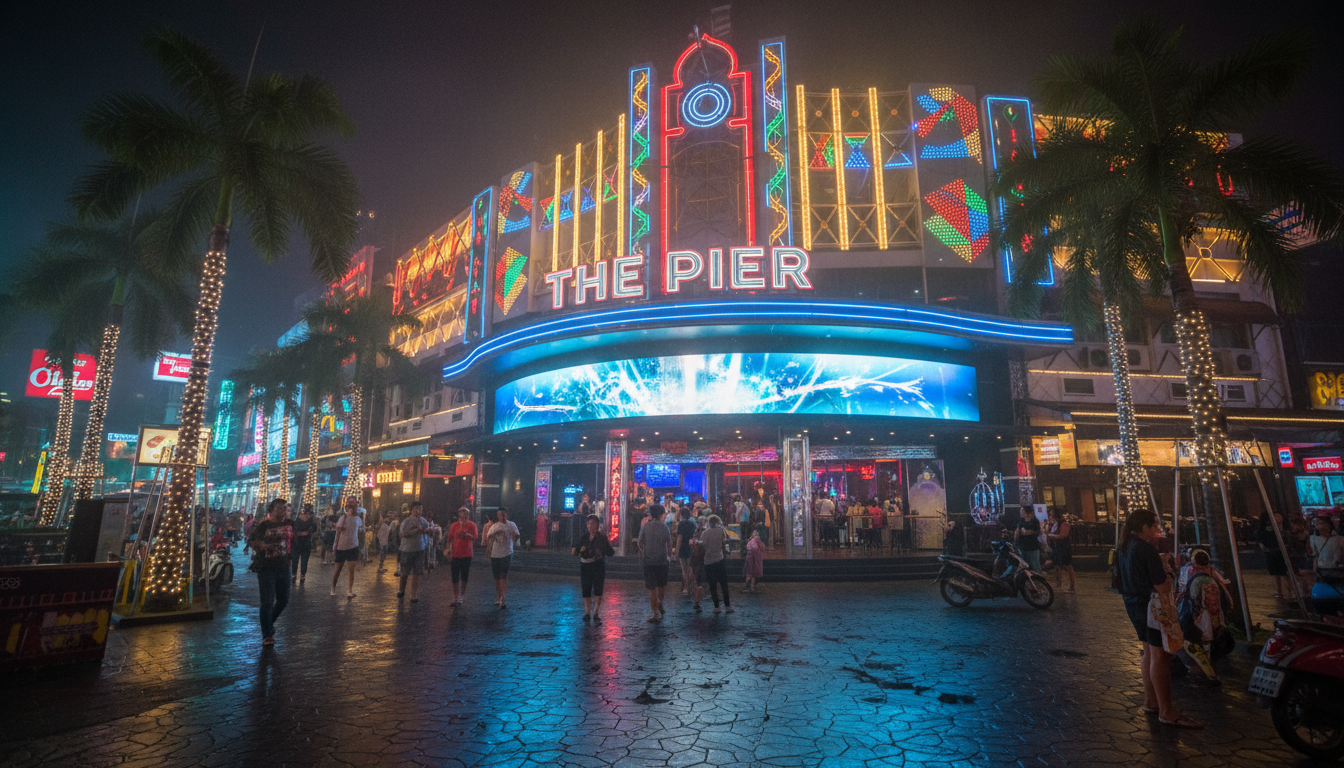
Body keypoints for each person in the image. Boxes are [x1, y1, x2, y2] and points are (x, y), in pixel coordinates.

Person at [1117, 508, 1201, 729]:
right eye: (1154, 524)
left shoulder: (1124, 547)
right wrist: (1168, 571)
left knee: (1148, 651)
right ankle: (1166, 710)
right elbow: (1161, 585)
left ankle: (1151, 701)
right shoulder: (1146, 549)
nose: (1157, 528)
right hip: (1150, 606)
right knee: (1160, 655)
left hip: (1133, 603)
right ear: (1144, 527)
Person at [1176, 549, 1234, 683]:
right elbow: (1223, 585)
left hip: (1197, 613)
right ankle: (1209, 665)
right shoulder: (1211, 572)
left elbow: (1183, 589)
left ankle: (1204, 670)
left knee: (1193, 639)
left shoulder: (1189, 570)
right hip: (1214, 613)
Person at [247, 499, 294, 647]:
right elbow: (252, 541)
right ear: (271, 510)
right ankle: (267, 634)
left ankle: (268, 623)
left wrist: (291, 555)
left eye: (284, 508)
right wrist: (264, 546)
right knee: (267, 602)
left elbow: (293, 541)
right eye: (279, 508)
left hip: (284, 567)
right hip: (267, 568)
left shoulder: (291, 524)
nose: (282, 511)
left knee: (283, 600)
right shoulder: (264, 525)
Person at [574, 514, 615, 622]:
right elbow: (576, 551)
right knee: (586, 588)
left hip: (598, 565)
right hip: (585, 565)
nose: (590, 526)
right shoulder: (584, 537)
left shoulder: (601, 537)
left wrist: (604, 551)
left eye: (592, 523)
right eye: (588, 524)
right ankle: (587, 612)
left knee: (598, 589)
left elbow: (610, 551)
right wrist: (577, 550)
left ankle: (596, 612)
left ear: (597, 525)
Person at [637, 503, 674, 622]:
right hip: (662, 561)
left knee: (651, 588)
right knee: (662, 586)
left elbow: (640, 542)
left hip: (648, 561)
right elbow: (669, 544)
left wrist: (644, 550)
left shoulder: (645, 527)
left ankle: (655, 614)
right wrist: (670, 554)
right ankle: (660, 602)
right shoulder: (664, 527)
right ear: (661, 514)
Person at [485, 508, 520, 608]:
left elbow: (517, 535)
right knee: (496, 577)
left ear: (506, 515)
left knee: (503, 575)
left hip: (507, 552)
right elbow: (488, 536)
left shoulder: (511, 524)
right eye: (499, 514)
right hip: (495, 553)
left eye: (502, 514)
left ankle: (503, 597)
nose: (501, 516)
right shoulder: (495, 526)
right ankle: (498, 596)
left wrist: (515, 537)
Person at [397, 502, 431, 602]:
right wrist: (414, 531)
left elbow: (429, 534)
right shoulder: (406, 522)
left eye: (420, 509)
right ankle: (401, 590)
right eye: (416, 509)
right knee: (404, 573)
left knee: (417, 573)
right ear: (412, 510)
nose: (418, 511)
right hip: (407, 550)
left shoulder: (424, 521)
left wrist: (429, 531)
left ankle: (413, 595)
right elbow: (401, 535)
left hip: (420, 549)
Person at [331, 498, 363, 598]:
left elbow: (360, 530)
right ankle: (333, 588)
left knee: (351, 570)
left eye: (353, 508)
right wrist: (335, 547)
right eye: (349, 508)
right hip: (342, 546)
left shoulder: (358, 519)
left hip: (353, 546)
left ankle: (350, 590)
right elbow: (337, 533)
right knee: (337, 570)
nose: (351, 510)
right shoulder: (342, 518)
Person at [445, 507, 477, 606]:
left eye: (465, 513)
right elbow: (449, 539)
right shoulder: (454, 525)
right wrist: (448, 551)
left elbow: (475, 537)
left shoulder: (472, 525)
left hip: (467, 553)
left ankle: (461, 595)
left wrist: (466, 535)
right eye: (461, 512)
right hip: (455, 553)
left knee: (464, 576)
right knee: (454, 576)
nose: (463, 515)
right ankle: (456, 596)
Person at [701, 514, 733, 613]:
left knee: (712, 584)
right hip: (719, 559)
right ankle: (727, 606)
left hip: (708, 561)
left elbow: (703, 546)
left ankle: (716, 607)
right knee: (723, 584)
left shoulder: (705, 533)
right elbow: (723, 544)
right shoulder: (720, 531)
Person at [1259, 511, 1294, 600]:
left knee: (1285, 572)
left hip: (1284, 552)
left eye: (1279, 516)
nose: (1277, 518)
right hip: (1273, 552)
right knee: (1275, 572)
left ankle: (1289, 591)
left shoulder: (1286, 528)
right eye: (1275, 516)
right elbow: (1263, 539)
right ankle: (1278, 591)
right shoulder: (1268, 530)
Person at [1046, 508, 1075, 593]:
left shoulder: (1064, 523)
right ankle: (1058, 584)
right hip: (1057, 547)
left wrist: (1051, 536)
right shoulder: (1055, 524)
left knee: (1067, 565)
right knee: (1057, 566)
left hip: (1064, 547)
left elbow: (1062, 536)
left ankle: (1072, 587)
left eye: (1052, 515)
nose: (1050, 517)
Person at [290, 504, 318, 585]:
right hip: (305, 541)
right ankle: (302, 576)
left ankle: (294, 575)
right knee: (304, 559)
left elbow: (293, 527)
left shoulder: (297, 518)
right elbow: (314, 529)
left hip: (299, 540)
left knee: (296, 558)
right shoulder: (312, 519)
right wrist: (308, 533)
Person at [675, 507, 698, 598]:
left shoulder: (681, 524)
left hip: (683, 547)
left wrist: (677, 550)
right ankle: (692, 587)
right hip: (690, 545)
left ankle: (686, 587)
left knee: (684, 569)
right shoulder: (692, 524)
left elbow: (679, 537)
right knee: (690, 568)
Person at [744, 528, 764, 592]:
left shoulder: (751, 541)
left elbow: (749, 548)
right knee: (754, 574)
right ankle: (752, 587)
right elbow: (762, 548)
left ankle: (748, 586)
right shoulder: (758, 541)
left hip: (750, 559)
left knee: (749, 572)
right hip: (756, 559)